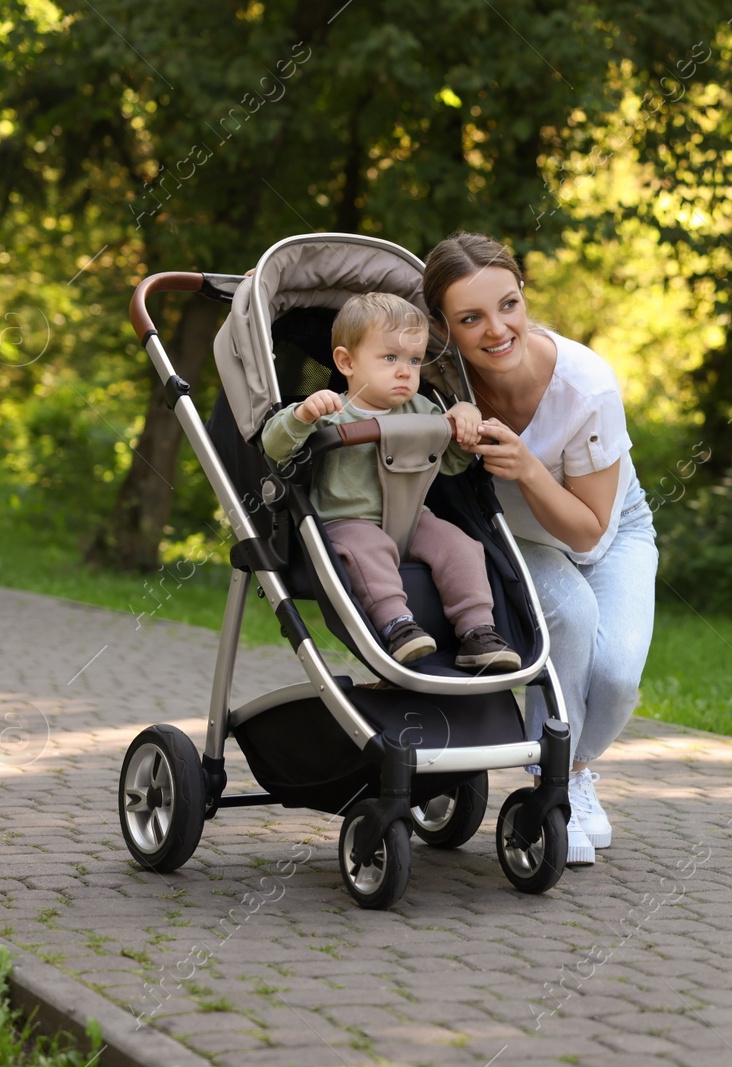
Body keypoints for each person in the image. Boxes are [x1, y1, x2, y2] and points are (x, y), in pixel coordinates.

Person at [422, 232, 658, 869]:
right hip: (517, 536)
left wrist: (527, 467)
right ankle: (551, 793)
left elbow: (588, 530)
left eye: (509, 306)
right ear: (444, 327)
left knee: (617, 674)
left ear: (525, 297)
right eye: (471, 318)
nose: (497, 330)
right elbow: (366, 333)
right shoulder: (439, 378)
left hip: (611, 531)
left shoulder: (587, 389)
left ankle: (572, 770)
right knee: (570, 621)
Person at [260, 291, 520, 672]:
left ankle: (478, 631)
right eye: (390, 358)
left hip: (413, 519)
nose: (405, 371)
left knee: (461, 546)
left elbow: (448, 465)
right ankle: (397, 625)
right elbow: (274, 447)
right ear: (347, 362)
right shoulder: (332, 411)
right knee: (369, 548)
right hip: (347, 522)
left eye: (415, 360)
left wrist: (464, 422)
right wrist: (300, 416)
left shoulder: (423, 410)